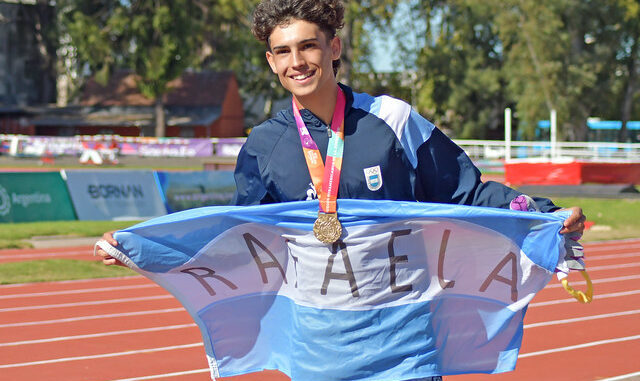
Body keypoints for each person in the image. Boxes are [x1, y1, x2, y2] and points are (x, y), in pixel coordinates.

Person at [97, 0, 586, 379]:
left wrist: (545, 214)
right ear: (270, 61)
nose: (298, 62)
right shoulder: (264, 146)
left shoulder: (392, 121)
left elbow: (467, 192)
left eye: (308, 46)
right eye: (283, 51)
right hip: (319, 353)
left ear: (333, 47)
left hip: (406, 346)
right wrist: (144, 248)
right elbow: (239, 241)